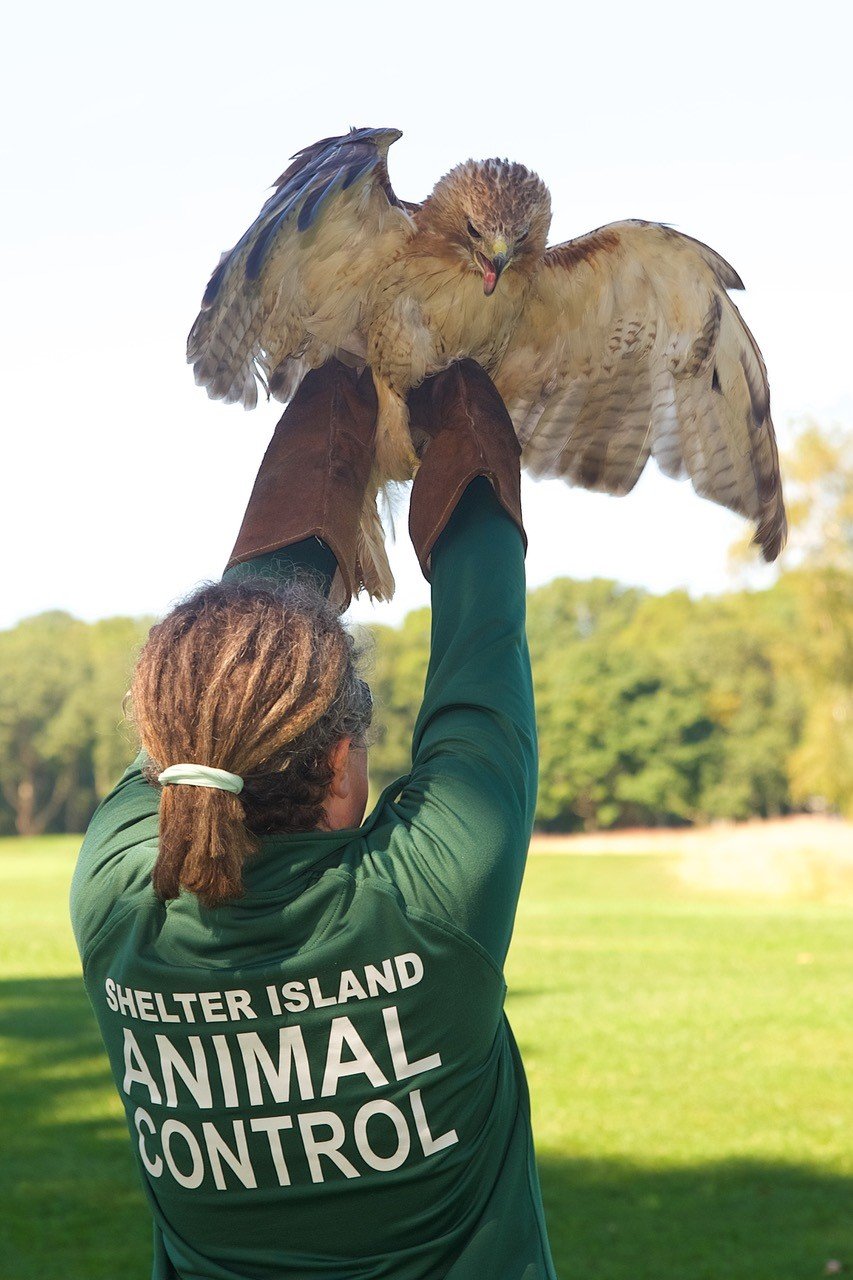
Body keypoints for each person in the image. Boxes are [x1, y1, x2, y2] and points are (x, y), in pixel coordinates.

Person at [71, 359, 556, 1280]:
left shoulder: (121, 899)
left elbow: (238, 660)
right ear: (341, 765)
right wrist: (429, 382)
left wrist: (351, 379)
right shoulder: (427, 904)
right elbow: (481, 651)